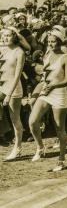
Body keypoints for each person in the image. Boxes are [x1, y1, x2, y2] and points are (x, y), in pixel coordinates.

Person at [29, 29, 67, 171]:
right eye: (49, 42)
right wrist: (43, 86)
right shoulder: (47, 54)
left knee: (60, 129)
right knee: (32, 121)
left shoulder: (66, 57)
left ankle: (61, 159)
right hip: (46, 91)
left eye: (53, 41)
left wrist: (54, 85)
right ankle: (40, 147)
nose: (51, 44)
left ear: (59, 42)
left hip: (59, 93)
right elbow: (45, 76)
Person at [1, 27, 25, 161]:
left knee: (15, 119)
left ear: (14, 37)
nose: (5, 38)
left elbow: (17, 76)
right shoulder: (2, 50)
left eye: (8, 35)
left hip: (14, 88)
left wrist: (9, 94)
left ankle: (18, 148)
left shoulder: (19, 52)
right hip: (1, 86)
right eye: (3, 36)